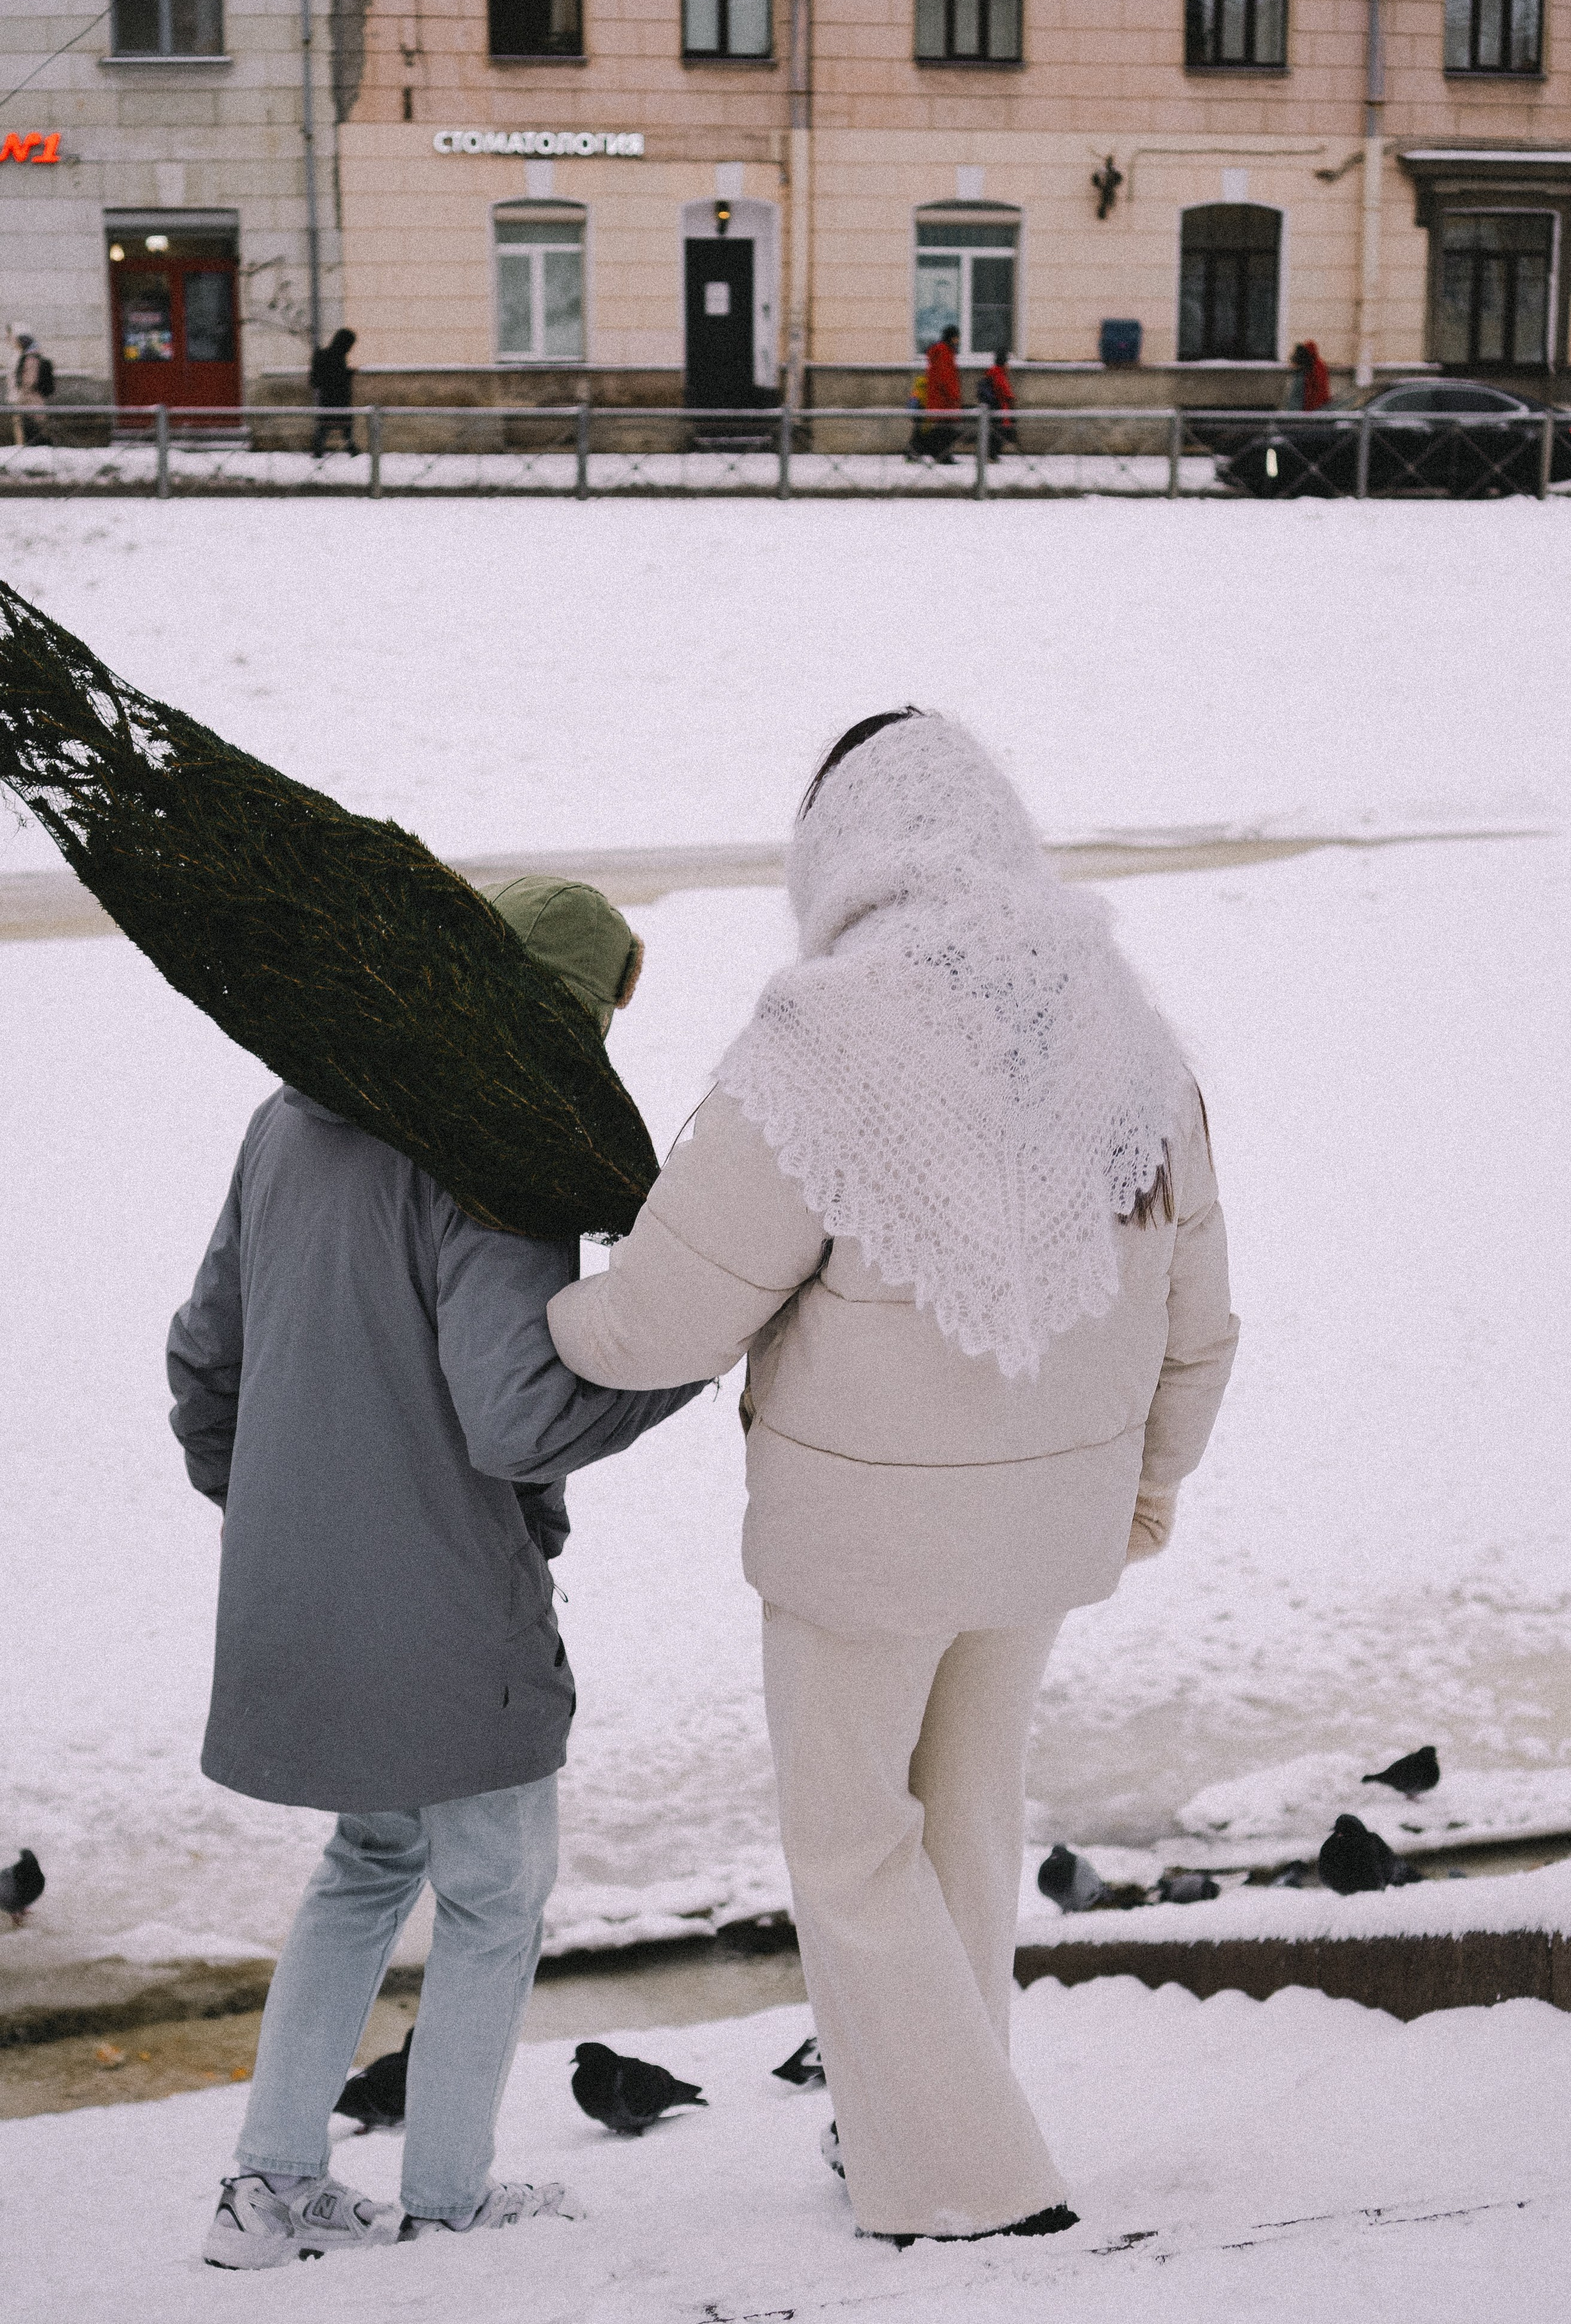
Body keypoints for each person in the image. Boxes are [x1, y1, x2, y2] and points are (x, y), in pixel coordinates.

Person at [547, 711, 1238, 2247]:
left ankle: (961, 2175)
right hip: (1041, 1529)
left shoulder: (820, 1035)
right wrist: (1142, 1492)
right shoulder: (1128, 1031)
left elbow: (664, 1315)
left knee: (854, 1838)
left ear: (838, 850)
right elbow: (1199, 1320)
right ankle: (923, 2124)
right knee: (967, 1816)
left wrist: (536, 1324)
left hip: (859, 1543)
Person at [170, 876, 700, 2271]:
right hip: (452, 1610)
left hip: (304, 1592)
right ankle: (448, 2196)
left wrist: (290, 1520)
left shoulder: (289, 1116)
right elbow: (516, 1413)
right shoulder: (494, 1155)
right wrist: (680, 1365)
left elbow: (202, 1360)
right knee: (491, 1887)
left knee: (368, 1858)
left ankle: (269, 2189)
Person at [917, 323, 962, 463]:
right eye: (956, 337)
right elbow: (945, 377)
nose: (958, 340)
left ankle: (938, 454)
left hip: (941, 397)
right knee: (945, 430)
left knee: (943, 429)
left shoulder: (944, 351)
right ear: (951, 337)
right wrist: (954, 395)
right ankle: (938, 454)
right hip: (944, 399)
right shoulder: (944, 352)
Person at [309, 326, 358, 456]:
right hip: (336, 398)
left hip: (328, 398)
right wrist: (348, 374)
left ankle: (319, 450)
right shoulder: (336, 357)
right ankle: (350, 448)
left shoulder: (324, 355)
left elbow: (317, 379)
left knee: (326, 426)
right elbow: (336, 376)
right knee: (341, 425)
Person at [10, 326, 51, 447]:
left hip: (31, 400)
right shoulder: (31, 356)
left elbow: (30, 381)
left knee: (34, 429)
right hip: (32, 399)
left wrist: (22, 393)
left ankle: (36, 452)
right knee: (33, 428)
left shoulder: (31, 359)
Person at [978, 349, 1019, 454]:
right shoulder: (998, 373)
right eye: (1007, 363)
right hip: (999, 407)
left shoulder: (993, 372)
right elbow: (1004, 390)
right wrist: (1012, 398)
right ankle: (992, 455)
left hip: (995, 407)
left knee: (996, 432)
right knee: (999, 433)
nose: (1009, 366)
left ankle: (992, 454)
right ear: (1004, 363)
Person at [1285, 339, 1331, 414]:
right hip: (1317, 405)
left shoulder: (1312, 367)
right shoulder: (1318, 365)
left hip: (1314, 407)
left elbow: (1312, 389)